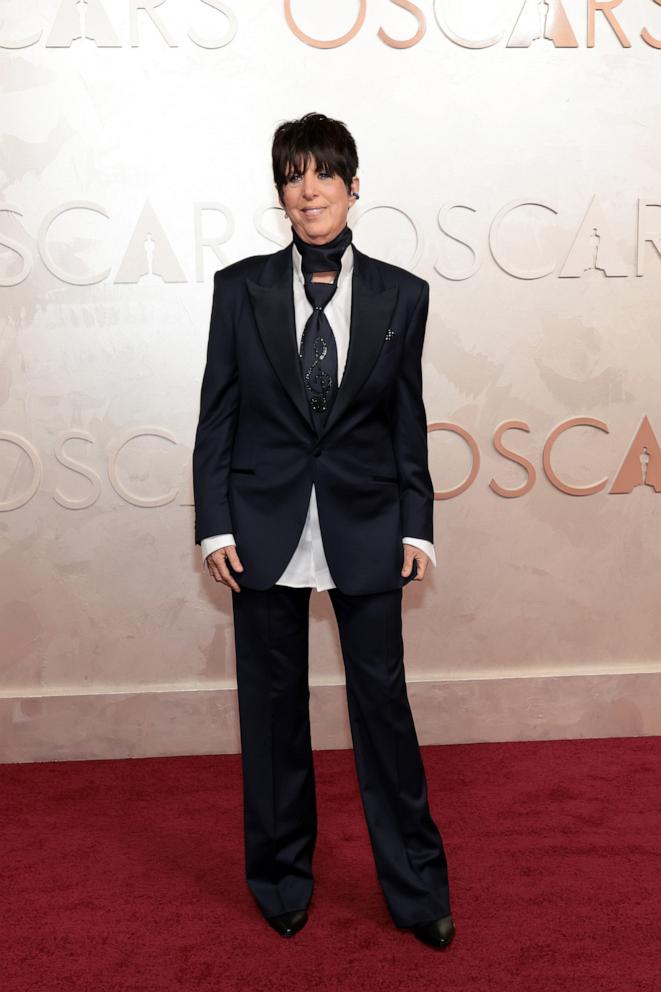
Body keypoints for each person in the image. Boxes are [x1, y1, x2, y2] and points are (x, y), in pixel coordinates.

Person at [192, 112, 455, 950]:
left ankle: (416, 892)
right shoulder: (239, 288)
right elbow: (217, 417)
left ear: (351, 186)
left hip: (369, 524)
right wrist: (213, 525)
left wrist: (418, 525)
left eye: (322, 174)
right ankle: (279, 881)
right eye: (292, 176)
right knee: (272, 716)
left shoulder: (401, 294)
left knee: (383, 711)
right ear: (280, 193)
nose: (308, 189)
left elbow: (405, 419)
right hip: (261, 526)